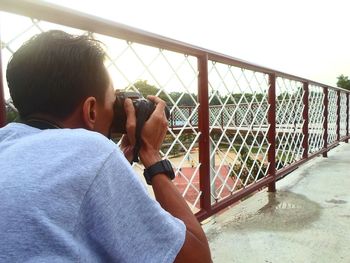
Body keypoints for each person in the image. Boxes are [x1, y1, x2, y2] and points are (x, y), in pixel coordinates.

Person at [0, 30, 211, 262]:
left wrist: (117, 161)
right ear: (91, 110)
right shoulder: (91, 150)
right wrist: (151, 155)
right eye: (113, 101)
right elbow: (197, 258)